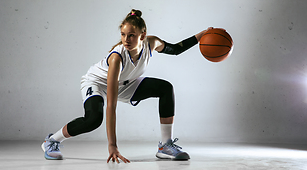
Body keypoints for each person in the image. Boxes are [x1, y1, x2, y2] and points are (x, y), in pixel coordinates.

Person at [41, 9, 211, 163]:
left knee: (165, 88)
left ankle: (165, 146)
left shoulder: (152, 43)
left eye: (131, 35)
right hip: (97, 82)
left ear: (142, 36)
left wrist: (202, 35)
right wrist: (112, 145)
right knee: (93, 119)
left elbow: (175, 49)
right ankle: (52, 141)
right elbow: (111, 106)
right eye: (123, 35)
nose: (126, 40)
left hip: (126, 82)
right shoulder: (117, 58)